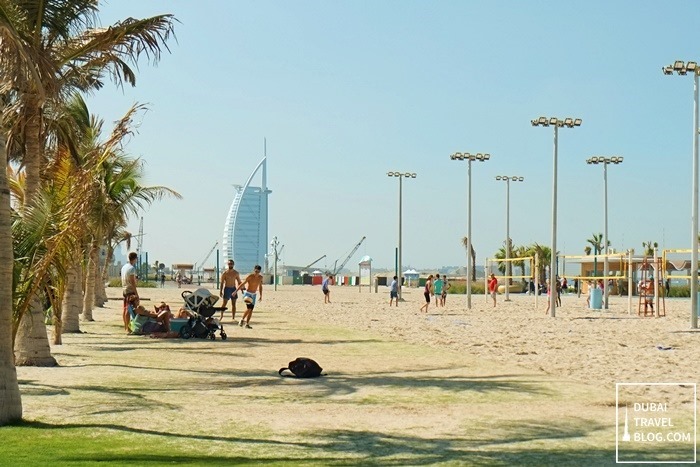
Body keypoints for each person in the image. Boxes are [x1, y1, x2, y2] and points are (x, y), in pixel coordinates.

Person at [234, 264, 264, 329]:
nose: (257, 273)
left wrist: (261, 295)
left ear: (260, 271)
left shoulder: (260, 277)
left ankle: (247, 324)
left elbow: (260, 286)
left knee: (251, 310)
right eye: (256, 271)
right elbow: (243, 283)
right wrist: (236, 291)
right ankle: (241, 320)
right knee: (249, 308)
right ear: (254, 270)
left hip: (254, 295)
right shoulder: (250, 276)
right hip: (247, 294)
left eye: (258, 272)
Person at [121, 252, 139, 332]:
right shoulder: (131, 268)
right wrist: (136, 293)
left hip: (124, 289)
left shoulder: (124, 267)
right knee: (129, 310)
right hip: (130, 290)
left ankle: (126, 326)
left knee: (125, 309)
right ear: (135, 259)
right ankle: (128, 328)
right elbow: (132, 282)